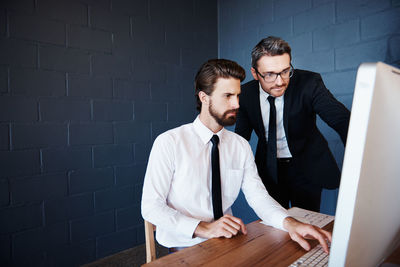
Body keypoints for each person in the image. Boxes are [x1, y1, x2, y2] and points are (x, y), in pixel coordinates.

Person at [141, 58, 331, 253]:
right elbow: (151, 207)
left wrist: (289, 223)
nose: (236, 104)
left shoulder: (240, 146)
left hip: (227, 241)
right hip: (185, 245)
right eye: (228, 96)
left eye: (238, 96)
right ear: (204, 97)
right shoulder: (169, 142)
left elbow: (258, 196)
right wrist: (204, 228)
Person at [235, 36, 351, 212]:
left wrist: (360, 162)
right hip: (269, 168)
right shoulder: (245, 95)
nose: (280, 81)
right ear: (255, 73)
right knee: (276, 227)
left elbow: (342, 120)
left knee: (308, 225)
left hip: (306, 168)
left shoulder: (309, 83)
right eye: (269, 75)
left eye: (285, 71)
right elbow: (240, 138)